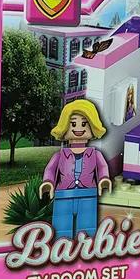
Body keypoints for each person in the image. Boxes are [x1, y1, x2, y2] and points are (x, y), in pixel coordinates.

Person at [39, 100, 112, 238]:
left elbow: (103, 167)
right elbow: (50, 169)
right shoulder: (60, 155)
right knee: (61, 230)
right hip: (63, 196)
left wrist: (104, 179)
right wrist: (48, 182)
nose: (78, 128)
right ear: (64, 128)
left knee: (87, 230)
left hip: (88, 195)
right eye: (73, 124)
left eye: (84, 124)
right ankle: (61, 247)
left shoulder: (95, 154)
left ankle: (84, 247)